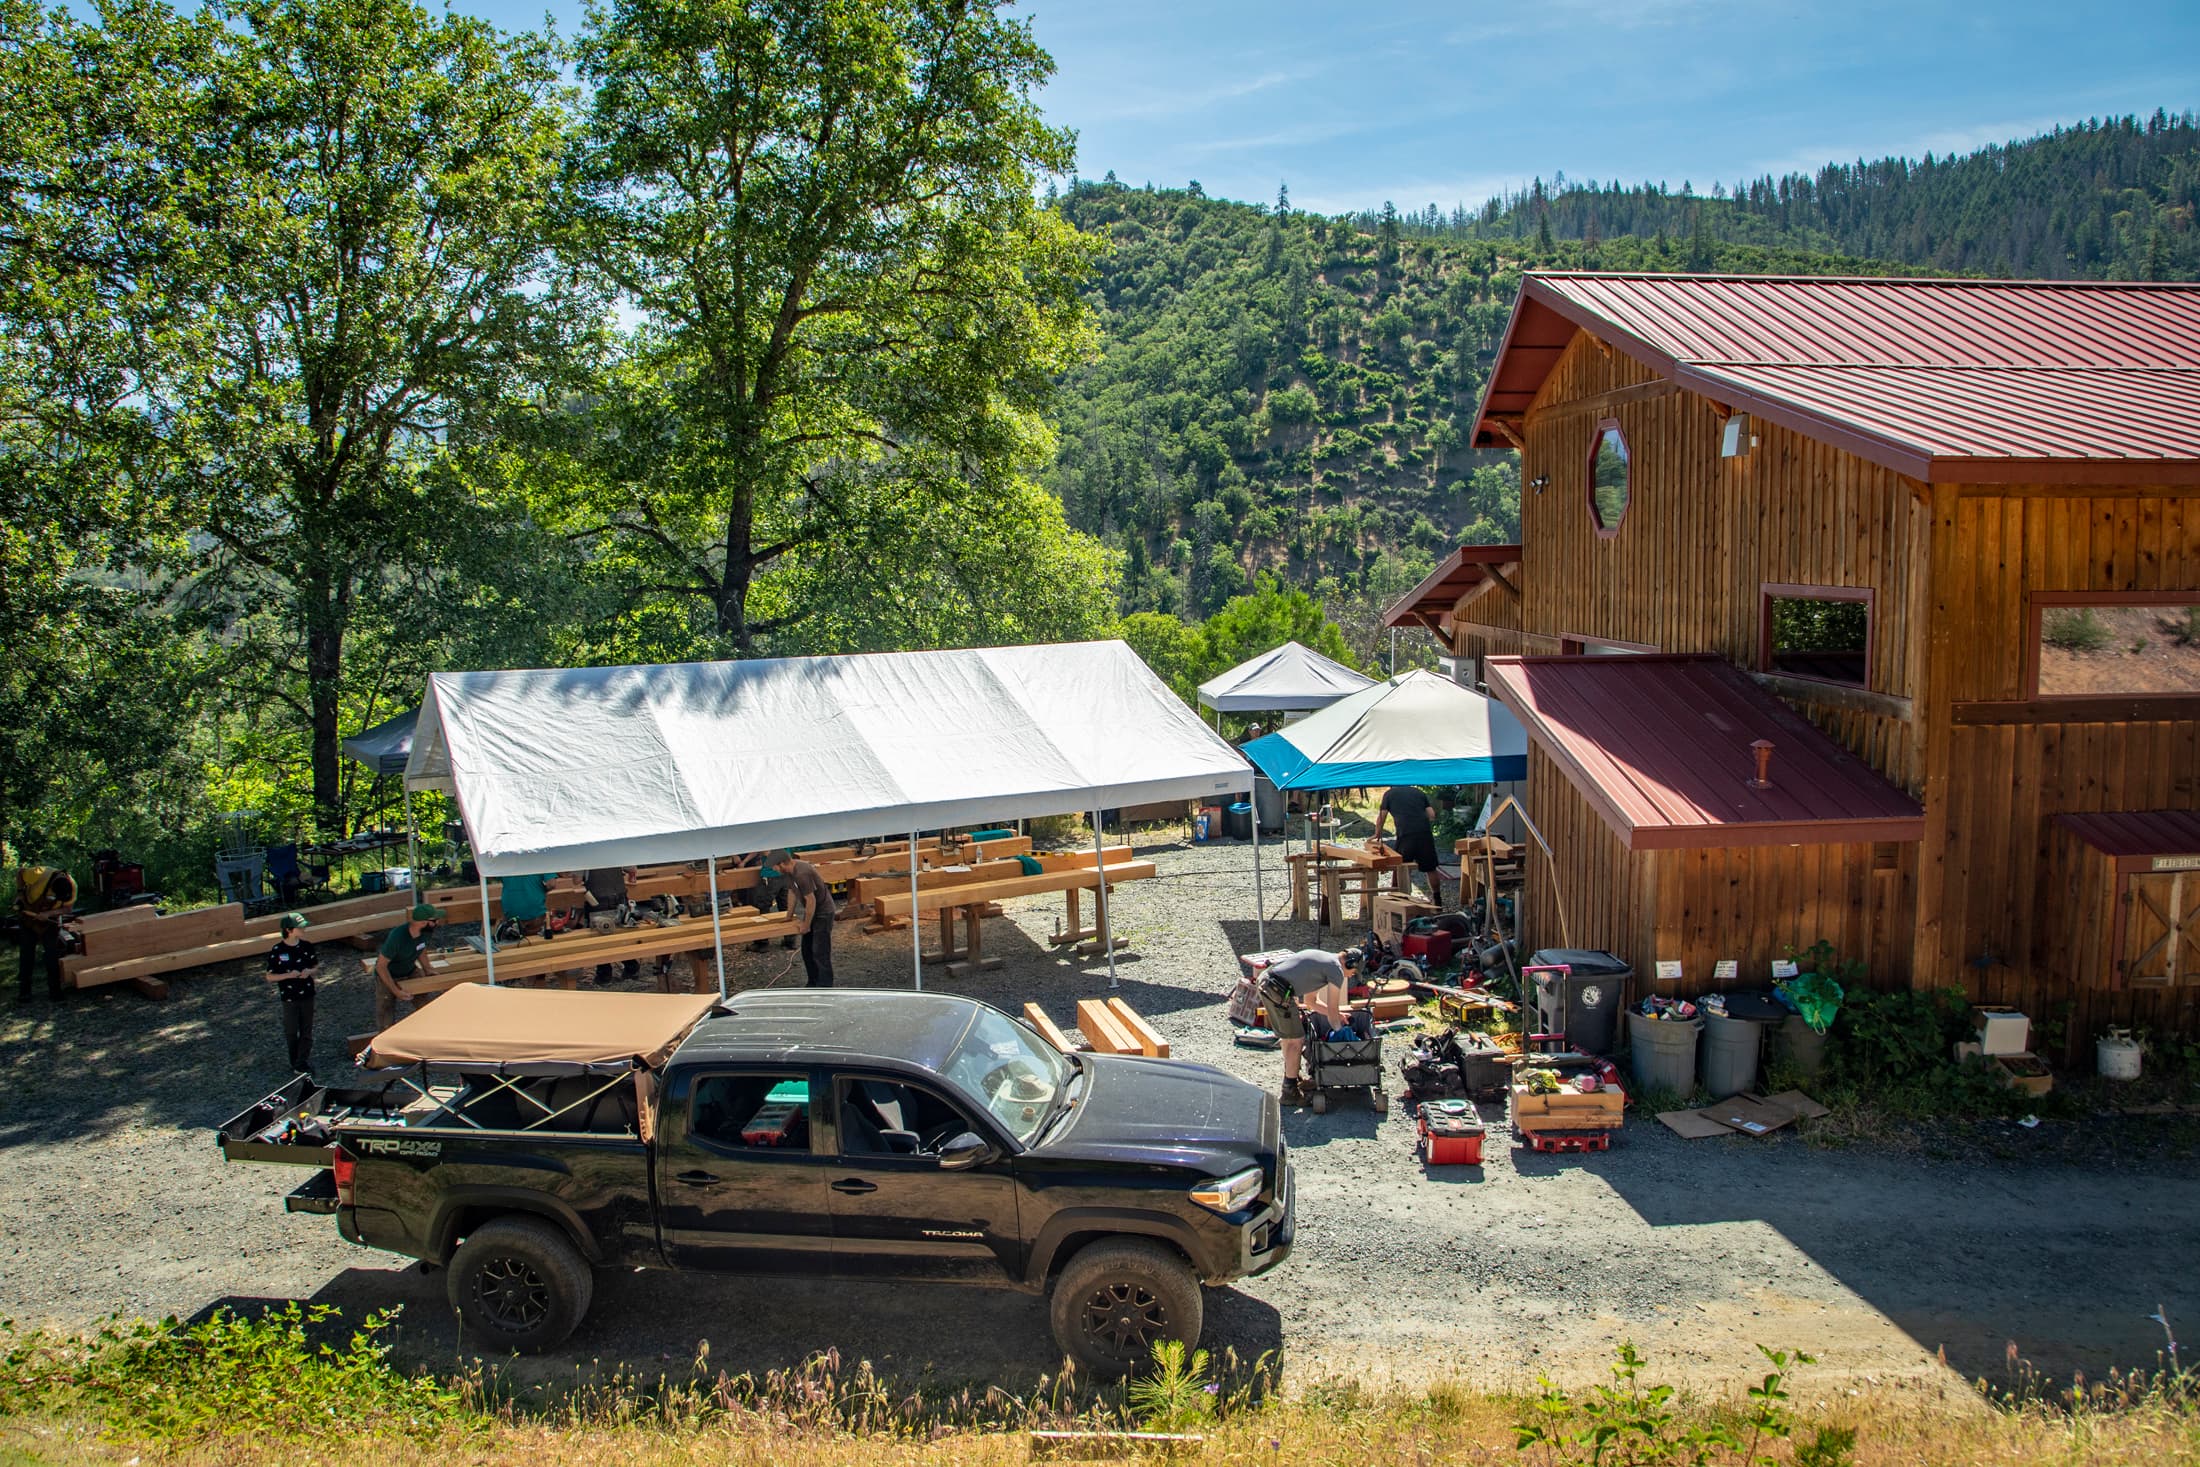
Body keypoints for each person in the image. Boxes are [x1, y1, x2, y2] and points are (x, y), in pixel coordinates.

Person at [1255, 947, 1359, 1105]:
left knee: (1288, 1037)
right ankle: (1289, 1091)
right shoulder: (1336, 970)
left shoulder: (1326, 960)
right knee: (1296, 1040)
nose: (1353, 975)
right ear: (1350, 964)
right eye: (1354, 971)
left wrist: (1338, 1016)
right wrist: (1341, 1035)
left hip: (1267, 983)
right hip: (1278, 989)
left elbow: (1311, 1002)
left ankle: (1291, 1077)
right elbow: (1332, 1010)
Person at [767, 850, 837, 987]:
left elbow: (811, 901)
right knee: (807, 950)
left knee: (820, 951)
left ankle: (825, 987)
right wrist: (788, 916)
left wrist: (806, 924)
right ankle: (813, 982)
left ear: (781, 863)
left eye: (774, 867)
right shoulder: (788, 873)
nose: (773, 870)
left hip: (823, 912)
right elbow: (792, 892)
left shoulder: (802, 873)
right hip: (813, 911)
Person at [373, 902, 445, 1030]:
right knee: (385, 1013)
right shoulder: (398, 936)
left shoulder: (426, 932)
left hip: (409, 970)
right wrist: (396, 991)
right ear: (423, 922)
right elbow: (381, 966)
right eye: (435, 920)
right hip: (388, 974)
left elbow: (421, 948)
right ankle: (384, 1043)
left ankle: (430, 1032)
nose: (437, 923)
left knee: (424, 1005)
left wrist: (427, 969)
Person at [263, 912, 321, 1073]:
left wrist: (309, 971)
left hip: (307, 994)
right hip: (289, 997)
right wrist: (288, 975)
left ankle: (302, 1062)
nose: (304, 929)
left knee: (306, 1030)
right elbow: (269, 976)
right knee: (291, 1030)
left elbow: (315, 966)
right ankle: (295, 1061)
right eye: (300, 927)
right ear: (289, 930)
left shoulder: (307, 946)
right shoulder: (278, 950)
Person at [1371, 783, 1445, 908]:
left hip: (1406, 835)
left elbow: (1381, 817)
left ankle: (1396, 899)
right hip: (1424, 833)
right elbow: (1431, 815)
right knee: (1431, 868)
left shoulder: (1389, 794)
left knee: (1399, 866)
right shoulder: (1419, 792)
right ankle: (1437, 899)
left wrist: (1377, 834)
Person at [13, 865, 78, 1003]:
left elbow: (67, 908)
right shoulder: (39, 874)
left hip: (49, 921)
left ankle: (55, 992)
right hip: (27, 916)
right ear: (52, 887)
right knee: (26, 954)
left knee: (52, 954)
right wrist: (20, 893)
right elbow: (20, 873)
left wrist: (48, 914)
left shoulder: (72, 886)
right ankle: (24, 992)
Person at [580, 867, 641, 982]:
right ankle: (631, 967)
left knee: (600, 939)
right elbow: (632, 868)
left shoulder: (584, 853)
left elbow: (576, 880)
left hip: (598, 901)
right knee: (621, 936)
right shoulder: (614, 850)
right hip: (618, 898)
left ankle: (604, 974)